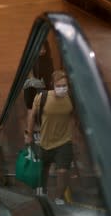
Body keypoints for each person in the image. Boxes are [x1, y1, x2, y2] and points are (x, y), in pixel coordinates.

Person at [25, 69, 74, 205]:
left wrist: (73, 132)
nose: (62, 89)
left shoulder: (71, 98)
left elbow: (75, 116)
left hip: (64, 141)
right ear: (53, 85)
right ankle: (42, 190)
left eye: (64, 86)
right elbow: (32, 116)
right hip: (45, 141)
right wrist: (29, 135)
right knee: (44, 169)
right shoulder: (42, 97)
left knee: (62, 172)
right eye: (59, 86)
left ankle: (59, 197)